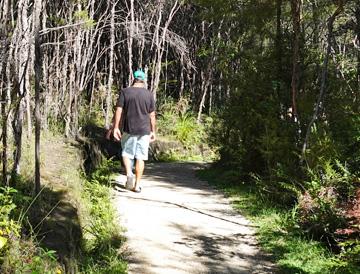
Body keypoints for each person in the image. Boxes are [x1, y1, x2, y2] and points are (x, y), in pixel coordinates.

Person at [112, 70, 156, 192]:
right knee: (140, 157)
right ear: (144, 80)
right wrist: (153, 131)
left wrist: (115, 127)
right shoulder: (149, 94)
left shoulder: (125, 92)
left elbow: (119, 110)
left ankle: (129, 174)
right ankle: (137, 186)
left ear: (134, 78)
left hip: (129, 128)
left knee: (126, 153)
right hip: (144, 130)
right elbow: (152, 115)